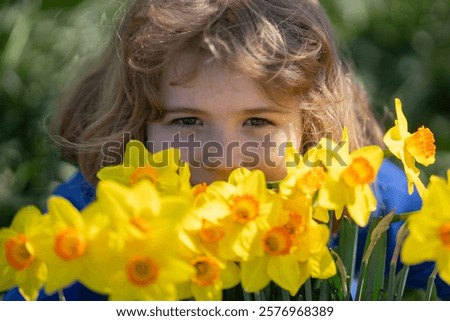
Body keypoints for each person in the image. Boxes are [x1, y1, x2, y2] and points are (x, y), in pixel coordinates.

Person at [4, 0, 449, 300]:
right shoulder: (92, 224)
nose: (224, 157)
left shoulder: (378, 209)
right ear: (136, 126)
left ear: (310, 127)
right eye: (188, 121)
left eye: (258, 121)